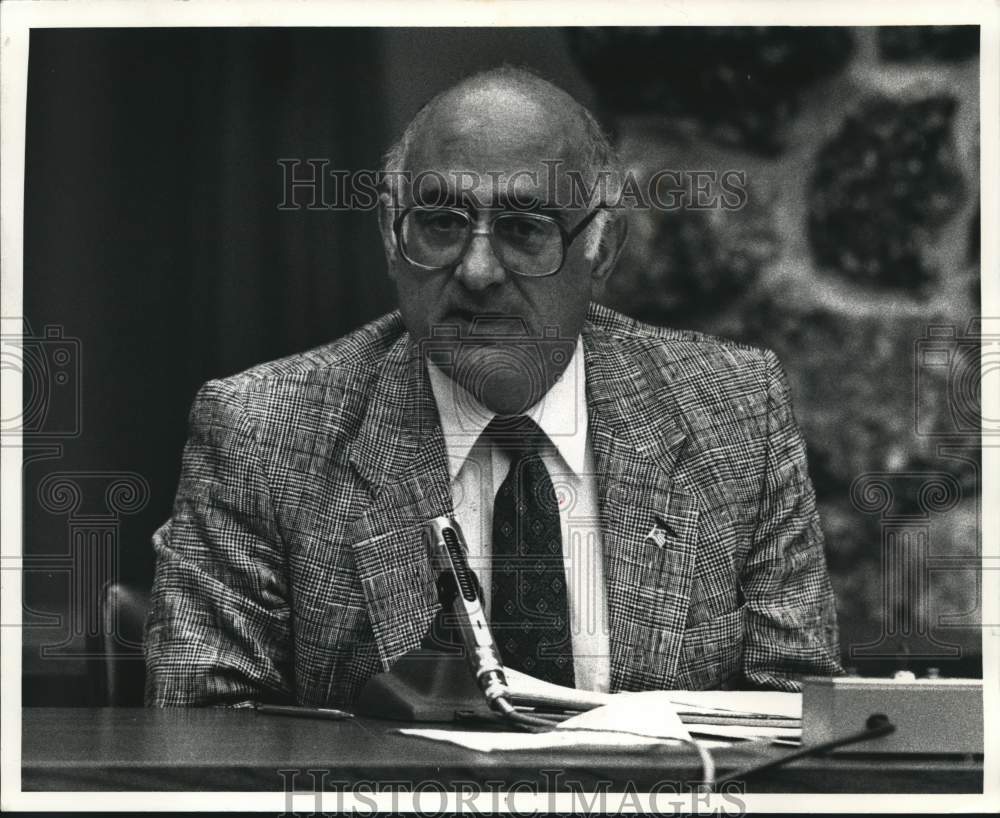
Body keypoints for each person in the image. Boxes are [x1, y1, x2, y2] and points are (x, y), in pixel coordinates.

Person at [144, 66, 842, 708]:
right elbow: (204, 731)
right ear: (392, 238)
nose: (477, 269)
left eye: (523, 229)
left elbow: (799, 717)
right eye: (442, 224)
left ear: (603, 249)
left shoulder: (736, 414)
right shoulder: (262, 432)